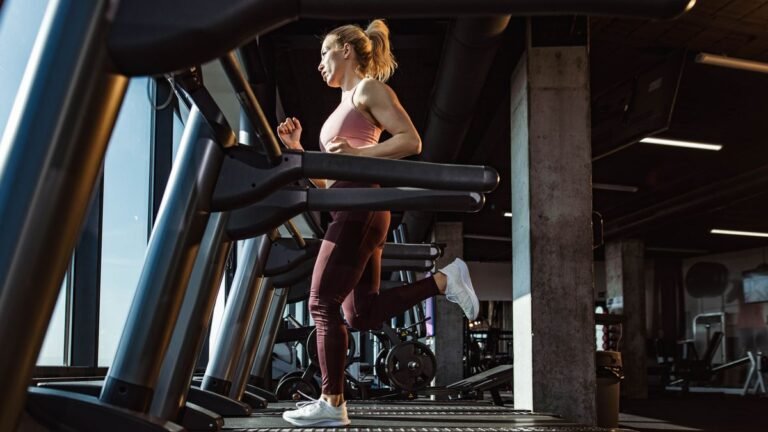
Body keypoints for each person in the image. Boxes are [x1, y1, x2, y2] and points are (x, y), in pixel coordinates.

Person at [277, 19, 479, 427]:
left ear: (345, 50)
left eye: (324, 54)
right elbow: (328, 179)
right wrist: (299, 151)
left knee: (320, 303)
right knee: (359, 315)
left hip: (361, 208)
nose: (319, 64)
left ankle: (332, 402)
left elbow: (411, 140)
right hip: (350, 207)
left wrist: (355, 154)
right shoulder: (342, 105)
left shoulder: (368, 90)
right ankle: (443, 281)